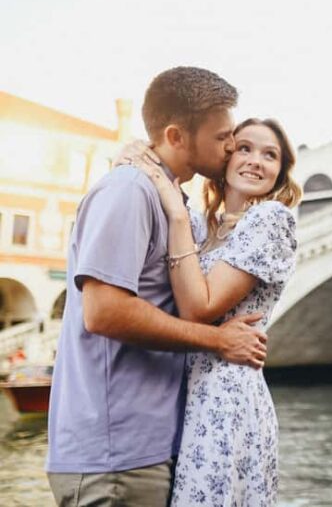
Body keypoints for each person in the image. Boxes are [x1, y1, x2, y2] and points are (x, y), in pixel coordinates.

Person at [46, 67, 269, 506]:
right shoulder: (129, 190)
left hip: (139, 451)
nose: (232, 147)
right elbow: (104, 311)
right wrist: (218, 341)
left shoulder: (165, 195)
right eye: (223, 136)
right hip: (114, 459)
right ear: (176, 135)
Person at [133, 117, 300, 506]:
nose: (256, 160)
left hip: (226, 395)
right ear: (225, 158)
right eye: (245, 148)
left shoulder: (269, 221)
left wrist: (174, 212)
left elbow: (198, 307)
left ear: (280, 172)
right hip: (184, 391)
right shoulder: (203, 227)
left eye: (270, 154)